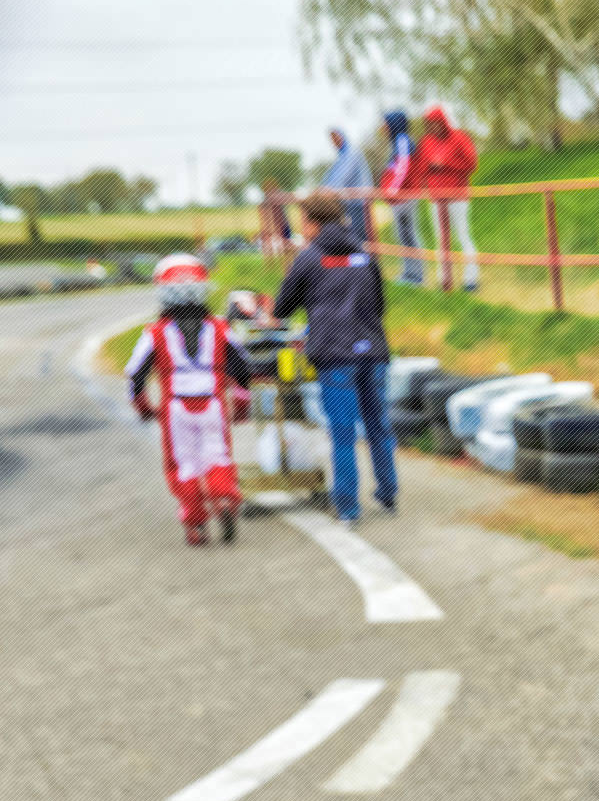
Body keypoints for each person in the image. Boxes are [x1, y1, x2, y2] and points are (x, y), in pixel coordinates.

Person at [269, 190, 397, 525]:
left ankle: (348, 508)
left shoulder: (309, 258)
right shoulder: (364, 254)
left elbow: (281, 309)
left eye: (303, 222)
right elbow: (380, 305)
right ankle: (388, 493)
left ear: (313, 223)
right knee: (378, 426)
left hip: (335, 357)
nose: (302, 228)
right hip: (373, 351)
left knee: (343, 434)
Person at [125, 253, 252, 547]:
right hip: (213, 403)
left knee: (184, 464)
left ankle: (195, 523)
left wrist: (143, 407)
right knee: (217, 455)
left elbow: (135, 375)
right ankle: (223, 497)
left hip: (176, 408)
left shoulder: (155, 332)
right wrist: (242, 402)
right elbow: (242, 368)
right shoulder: (219, 327)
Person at [418, 104, 480, 291]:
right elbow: (421, 167)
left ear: (443, 121)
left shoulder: (459, 137)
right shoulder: (426, 142)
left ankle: (471, 280)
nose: (433, 127)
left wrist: (446, 163)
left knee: (462, 235)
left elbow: (472, 163)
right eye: (430, 124)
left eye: (436, 123)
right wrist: (427, 175)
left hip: (457, 197)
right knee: (441, 240)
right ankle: (444, 280)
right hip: (436, 199)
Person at [379, 109, 426, 286]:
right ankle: (409, 273)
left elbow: (403, 167)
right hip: (399, 198)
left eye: (386, 123)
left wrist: (392, 189)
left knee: (410, 235)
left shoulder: (402, 140)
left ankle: (417, 276)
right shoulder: (396, 142)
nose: (383, 127)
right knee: (402, 236)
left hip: (405, 196)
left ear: (394, 123)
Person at [322, 126, 374, 243]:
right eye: (332, 139)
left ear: (342, 136)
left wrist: (329, 190)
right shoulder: (341, 156)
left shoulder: (352, 153)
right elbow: (332, 175)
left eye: (336, 137)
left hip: (360, 201)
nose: (334, 141)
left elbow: (344, 175)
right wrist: (323, 188)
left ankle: (368, 255)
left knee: (362, 235)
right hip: (350, 201)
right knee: (353, 234)